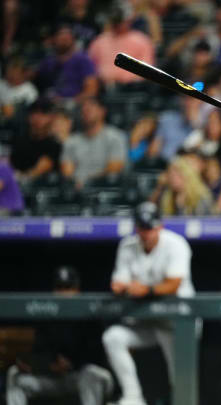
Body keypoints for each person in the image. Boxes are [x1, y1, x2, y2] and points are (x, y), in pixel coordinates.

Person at [102, 202, 196, 405]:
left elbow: (173, 284)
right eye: (143, 228)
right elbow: (119, 283)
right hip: (146, 321)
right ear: (137, 228)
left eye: (151, 227)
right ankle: (133, 397)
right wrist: (126, 288)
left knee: (178, 379)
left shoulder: (176, 244)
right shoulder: (127, 246)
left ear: (160, 226)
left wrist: (147, 290)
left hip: (177, 324)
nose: (147, 233)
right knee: (113, 338)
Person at [6, 266, 114, 405]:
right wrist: (44, 365)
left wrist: (72, 364)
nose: (64, 293)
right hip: (55, 380)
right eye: (60, 288)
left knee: (90, 373)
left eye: (68, 288)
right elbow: (39, 352)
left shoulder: (89, 315)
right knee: (15, 375)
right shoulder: (48, 316)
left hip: (83, 377)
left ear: (77, 289)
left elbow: (98, 356)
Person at [60, 98, 127, 189]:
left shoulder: (115, 137)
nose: (86, 109)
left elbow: (114, 168)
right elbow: (67, 172)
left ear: (103, 111)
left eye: (91, 105)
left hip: (105, 188)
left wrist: (88, 182)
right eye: (83, 107)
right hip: (77, 191)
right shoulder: (71, 141)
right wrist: (76, 184)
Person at [34, 23, 98, 100]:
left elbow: (91, 90)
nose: (64, 40)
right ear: (53, 39)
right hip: (50, 103)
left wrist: (69, 101)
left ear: (73, 39)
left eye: (67, 37)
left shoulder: (83, 60)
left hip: (74, 104)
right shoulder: (48, 61)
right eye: (61, 36)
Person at [10, 99, 62, 182]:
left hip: (41, 187)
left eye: (43, 113)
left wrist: (18, 178)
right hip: (16, 183)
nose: (38, 117)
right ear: (29, 116)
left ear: (51, 117)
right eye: (34, 113)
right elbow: (11, 165)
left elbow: (38, 171)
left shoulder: (54, 144)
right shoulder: (19, 140)